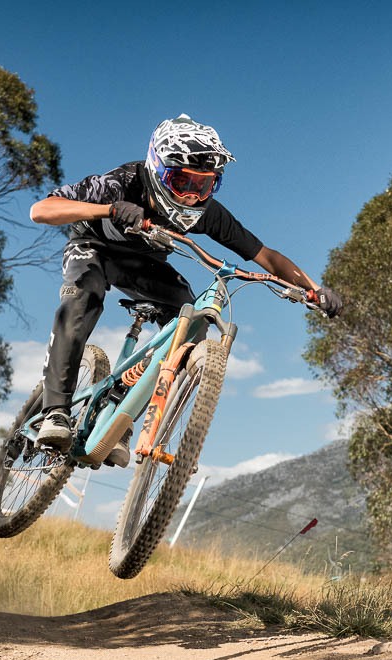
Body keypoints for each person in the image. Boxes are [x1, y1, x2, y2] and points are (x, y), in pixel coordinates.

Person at [29, 113, 344, 460]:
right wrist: (109, 209)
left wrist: (315, 289)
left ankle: (117, 416)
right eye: (182, 182)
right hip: (94, 249)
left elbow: (266, 256)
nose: (193, 196)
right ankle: (54, 411)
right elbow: (41, 210)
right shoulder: (120, 182)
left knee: (189, 318)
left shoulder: (209, 214)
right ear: (156, 169)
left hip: (144, 265)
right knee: (83, 299)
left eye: (204, 185)